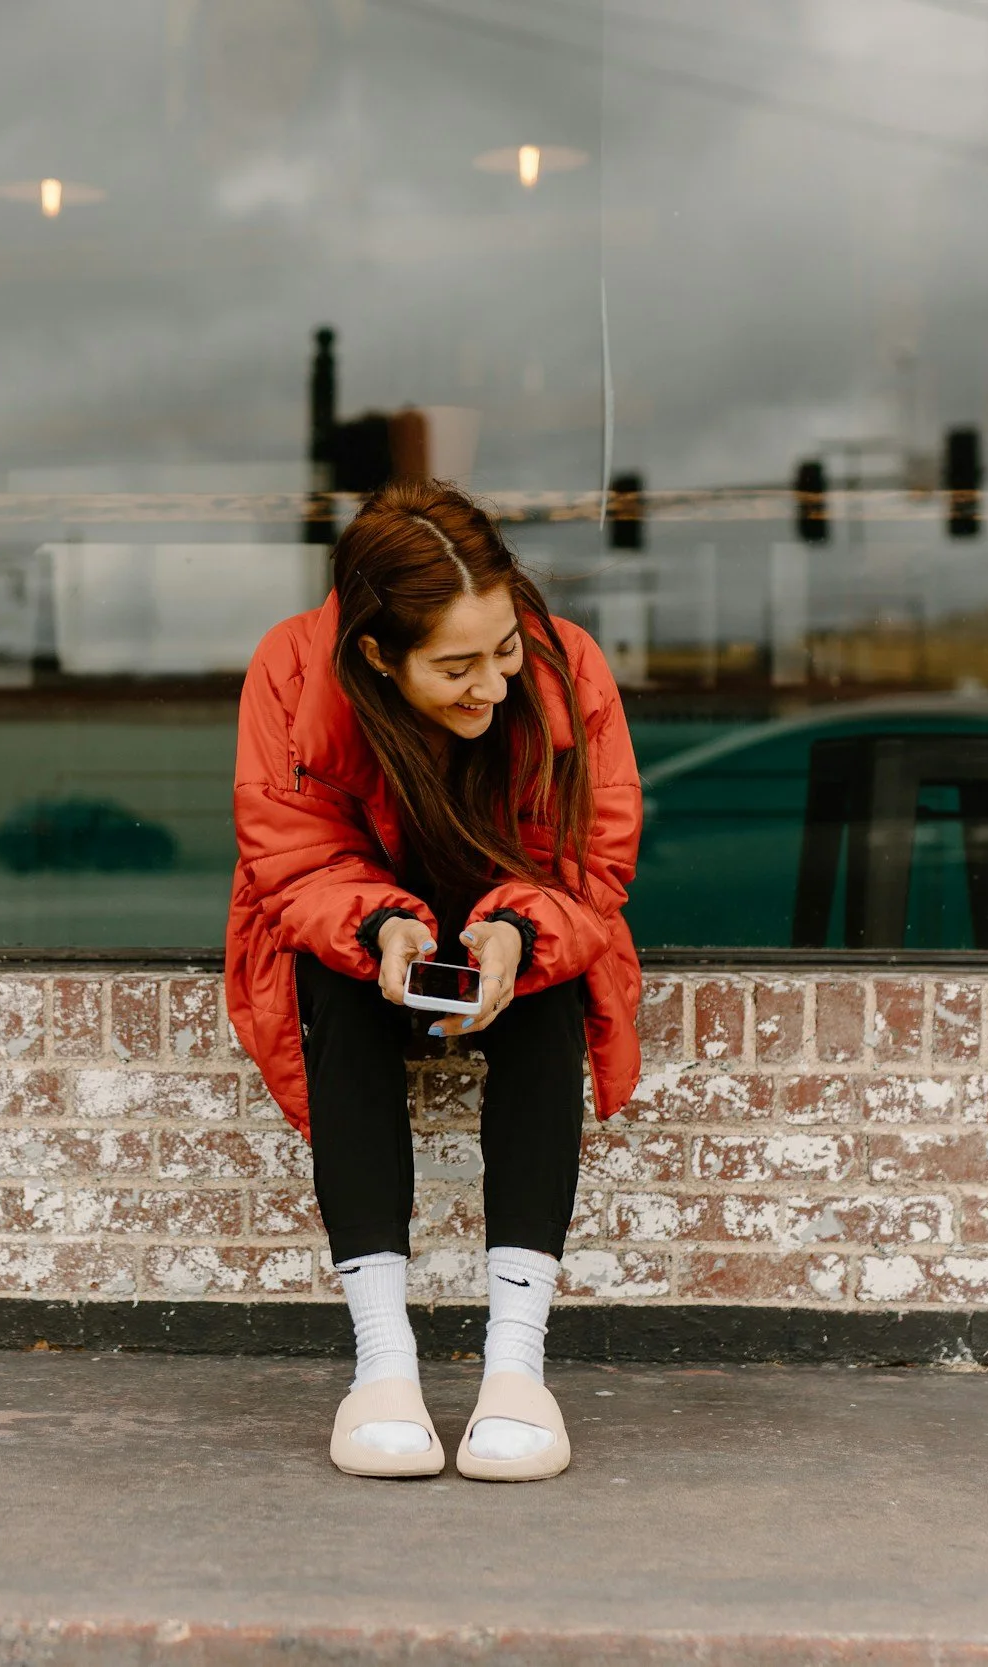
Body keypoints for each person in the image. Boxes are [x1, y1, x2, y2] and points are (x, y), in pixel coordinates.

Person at [224, 478, 642, 1482]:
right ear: (376, 652)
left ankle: (517, 1365)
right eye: (454, 665)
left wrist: (512, 932)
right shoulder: (291, 667)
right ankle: (382, 1364)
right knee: (336, 991)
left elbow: (593, 860)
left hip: (518, 923)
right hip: (358, 934)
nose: (493, 686)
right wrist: (382, 926)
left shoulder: (567, 662)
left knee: (550, 993)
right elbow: (291, 858)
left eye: (503, 651)